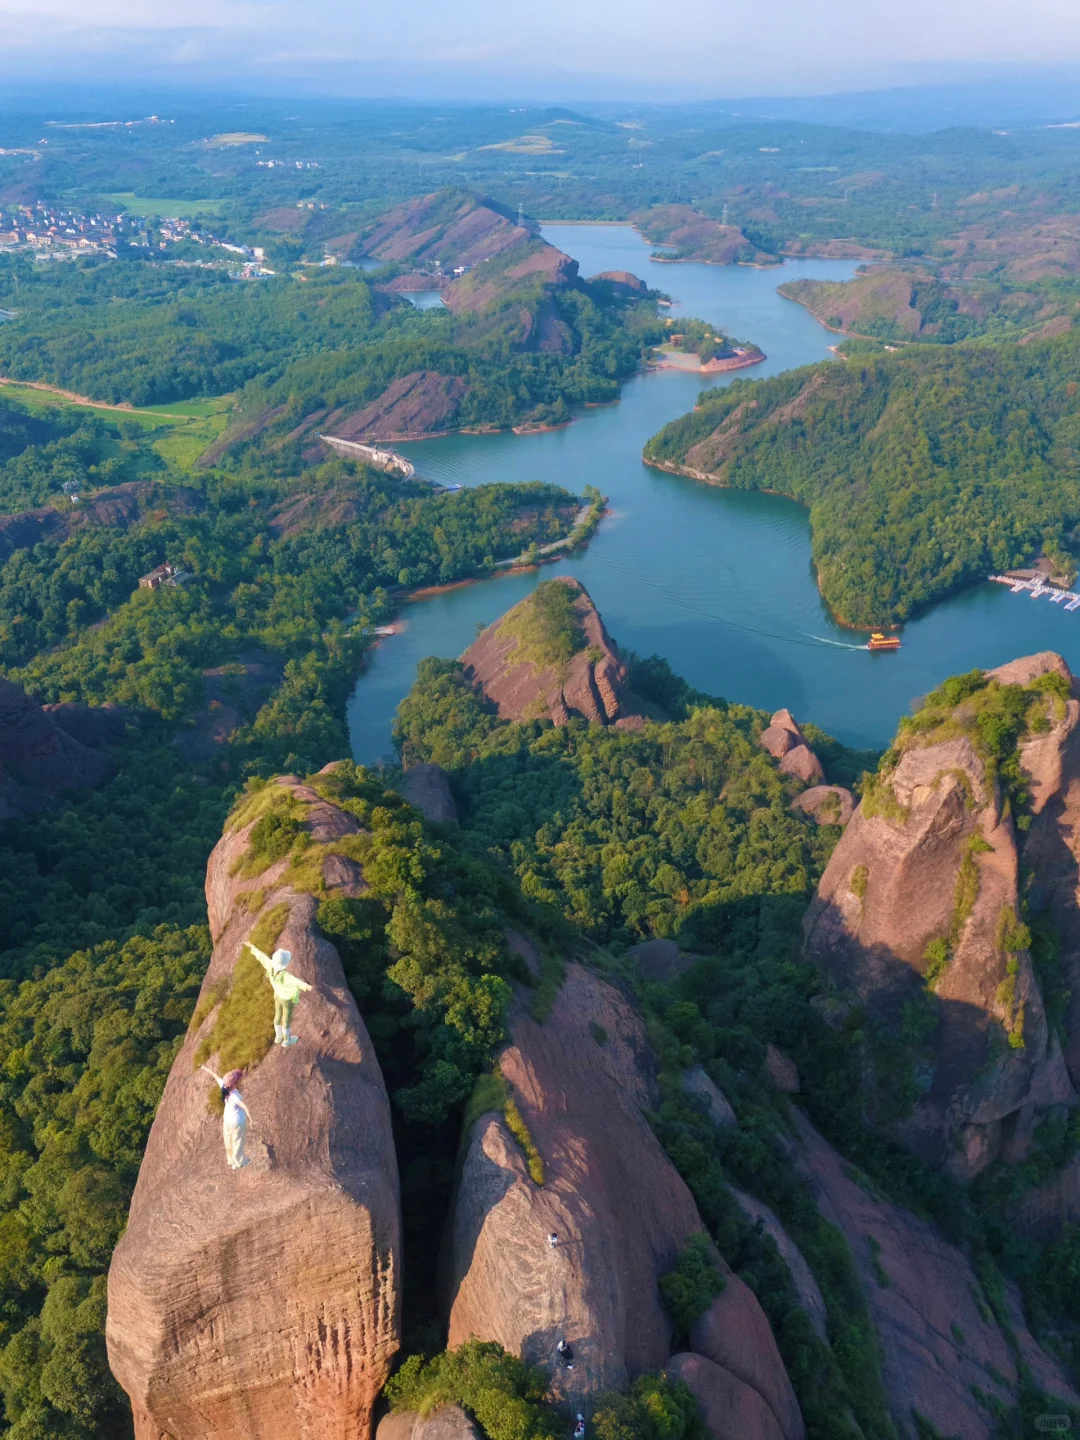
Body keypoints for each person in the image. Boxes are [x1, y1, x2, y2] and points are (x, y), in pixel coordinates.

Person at [245, 942, 313, 1047]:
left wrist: (252, 947)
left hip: (277, 995)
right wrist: (306, 986)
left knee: (278, 1015)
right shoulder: (285, 975)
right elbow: (296, 981)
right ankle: (287, 1041)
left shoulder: (269, 966)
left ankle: (278, 1036)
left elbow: (261, 957)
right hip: (287, 999)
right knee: (285, 1020)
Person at [201, 1064, 251, 1169]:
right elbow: (244, 1106)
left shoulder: (223, 1086)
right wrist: (250, 1117)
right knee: (238, 1142)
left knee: (228, 1140)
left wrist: (204, 1067)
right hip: (237, 1122)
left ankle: (230, 1159)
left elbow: (214, 1075)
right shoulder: (235, 1095)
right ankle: (238, 1163)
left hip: (227, 1121)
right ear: (235, 1084)